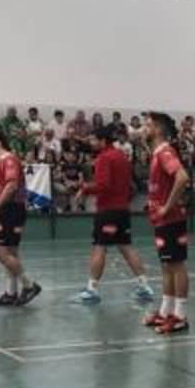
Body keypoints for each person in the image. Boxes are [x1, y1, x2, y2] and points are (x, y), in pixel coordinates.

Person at [72, 126, 154, 305]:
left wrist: (84, 188)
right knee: (127, 247)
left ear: (103, 141)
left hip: (108, 211)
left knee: (99, 247)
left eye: (93, 139)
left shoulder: (104, 158)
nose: (91, 143)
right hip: (122, 210)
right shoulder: (122, 156)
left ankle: (92, 290)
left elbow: (104, 185)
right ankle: (144, 287)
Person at [142, 112, 191, 335]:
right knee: (166, 266)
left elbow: (182, 177)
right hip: (161, 219)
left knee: (176, 266)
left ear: (159, 129)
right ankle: (165, 311)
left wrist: (167, 206)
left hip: (171, 219)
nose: (144, 128)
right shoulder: (156, 153)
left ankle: (180, 316)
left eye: (148, 125)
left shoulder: (166, 152)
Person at [0, 131, 42, 307]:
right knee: (10, 253)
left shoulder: (9, 159)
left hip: (13, 209)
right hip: (7, 210)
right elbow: (2, 190)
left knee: (0, 253)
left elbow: (12, 186)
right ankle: (10, 293)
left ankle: (29, 285)